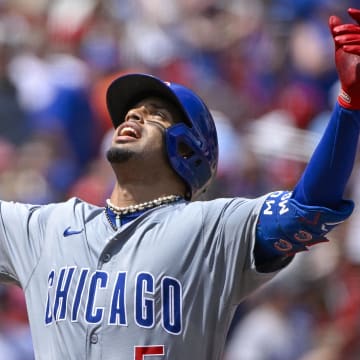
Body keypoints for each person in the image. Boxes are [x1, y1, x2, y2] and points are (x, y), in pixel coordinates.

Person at [1, 7, 360, 360]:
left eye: (156, 114)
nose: (135, 115)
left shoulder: (212, 231)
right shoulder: (47, 229)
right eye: (132, 113)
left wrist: (348, 104)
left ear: (189, 151)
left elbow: (305, 209)